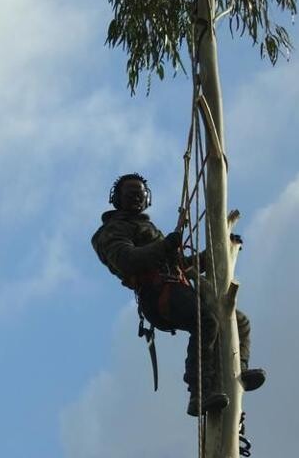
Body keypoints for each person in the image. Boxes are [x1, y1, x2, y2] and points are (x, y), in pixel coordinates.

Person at [91, 172, 265, 416]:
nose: (136, 199)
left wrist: (215, 253)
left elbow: (180, 264)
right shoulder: (111, 231)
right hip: (157, 294)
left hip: (176, 286)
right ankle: (199, 391)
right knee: (205, 320)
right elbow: (127, 260)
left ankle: (237, 370)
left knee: (239, 321)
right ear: (116, 199)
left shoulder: (147, 228)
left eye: (140, 195)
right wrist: (165, 245)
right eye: (130, 195)